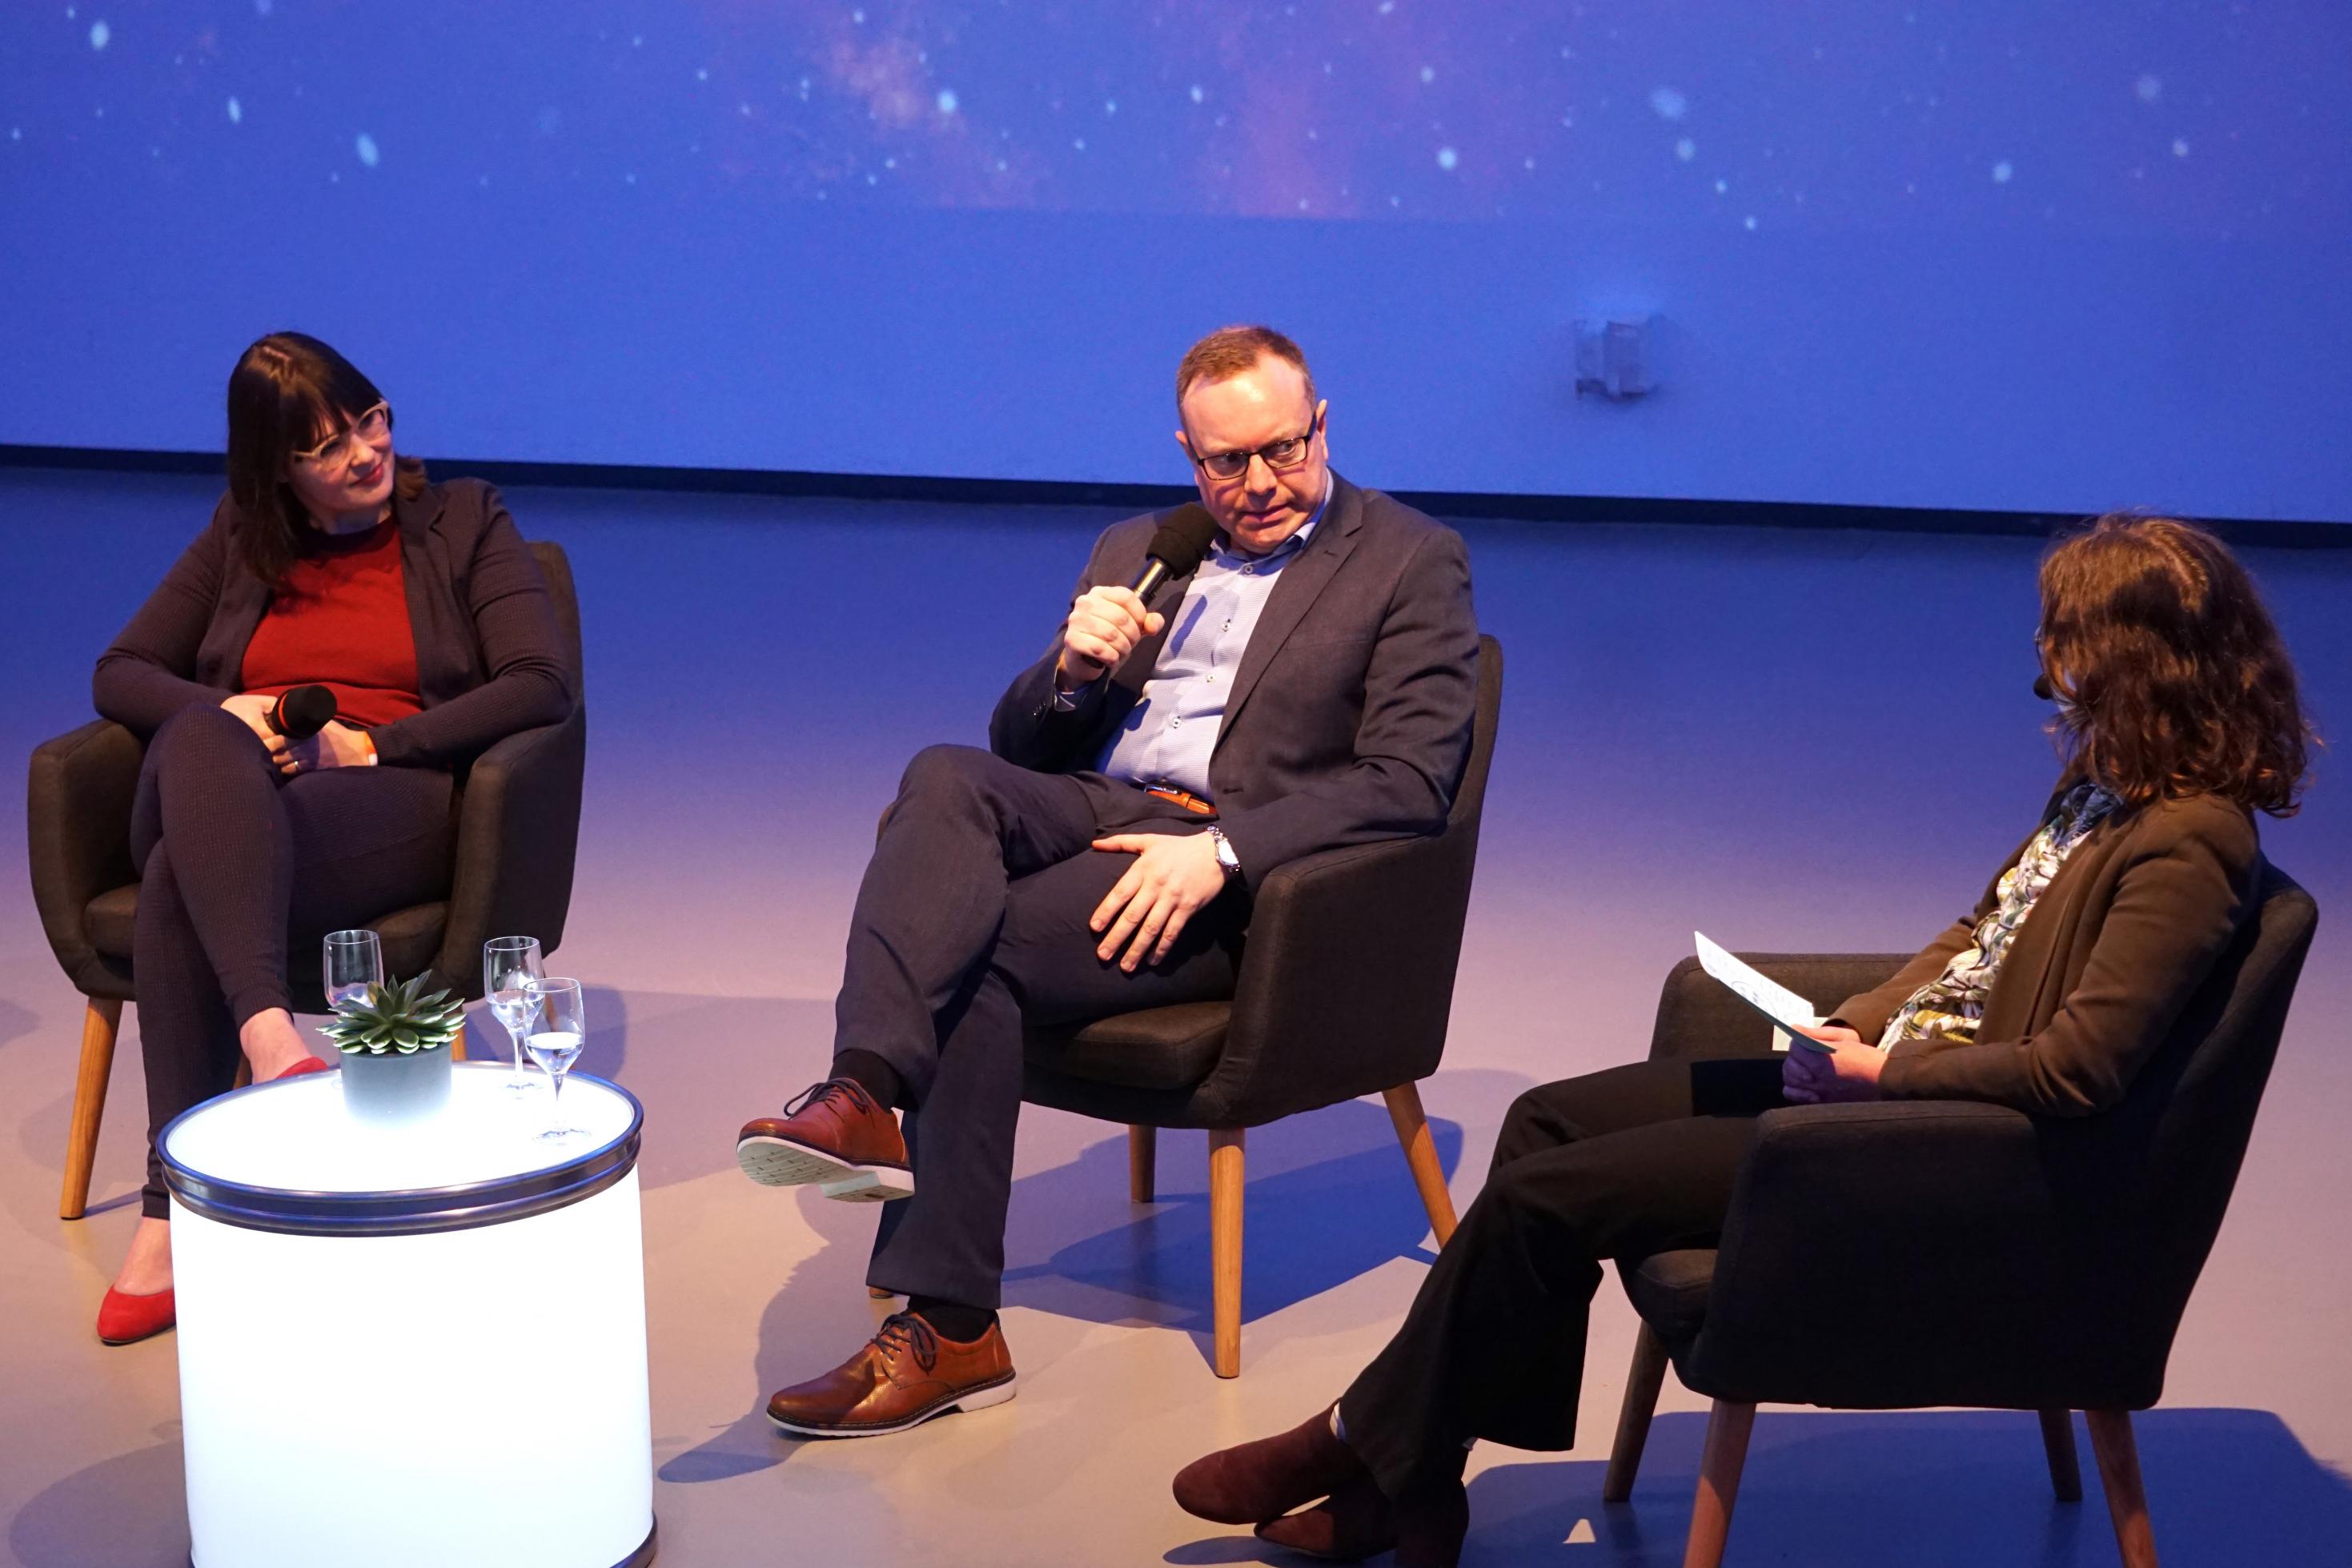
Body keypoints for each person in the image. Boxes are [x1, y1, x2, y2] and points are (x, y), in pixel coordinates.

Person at [1172, 514, 2313, 1566]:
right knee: (1547, 1119)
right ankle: (1418, 1477)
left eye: (2066, 640)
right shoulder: (2107, 781)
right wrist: (1862, 1016)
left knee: (1538, 1204)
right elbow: (1980, 931)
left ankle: (1358, 1445)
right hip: (1882, 1080)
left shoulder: (2186, 843)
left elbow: (2078, 1069)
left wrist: (1888, 1069)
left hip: (1931, 1145)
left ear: (2143, 657)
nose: (2046, 663)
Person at [732, 324, 1480, 1437]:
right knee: (945, 771)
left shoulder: (1409, 558)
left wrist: (1222, 852)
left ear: (1321, 423)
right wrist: (1071, 672)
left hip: (1246, 878)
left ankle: (949, 1325)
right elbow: (1024, 746)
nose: (1259, 484)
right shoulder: (1143, 544)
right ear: (1188, 451)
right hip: (1104, 807)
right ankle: (861, 1092)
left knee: (971, 953)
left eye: (1281, 450)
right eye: (1227, 463)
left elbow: (1411, 780)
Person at [88, 332, 573, 1345]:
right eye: (326, 446)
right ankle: (274, 1042)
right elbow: (123, 669)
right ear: (276, 471)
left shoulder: (464, 519)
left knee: (183, 868)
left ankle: (164, 1210)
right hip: (243, 791)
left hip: (385, 795)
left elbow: (538, 681)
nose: (365, 452)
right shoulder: (242, 536)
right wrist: (248, 712)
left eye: (371, 418)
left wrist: (371, 745)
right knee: (197, 729)